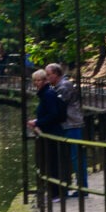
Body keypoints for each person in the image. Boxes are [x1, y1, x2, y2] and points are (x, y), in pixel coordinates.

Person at [46, 61, 88, 196]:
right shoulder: (59, 86)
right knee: (71, 157)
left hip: (72, 124)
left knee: (77, 157)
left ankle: (83, 188)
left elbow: (59, 106)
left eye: (49, 75)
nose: (47, 78)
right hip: (68, 124)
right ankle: (76, 186)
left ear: (56, 74)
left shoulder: (64, 86)